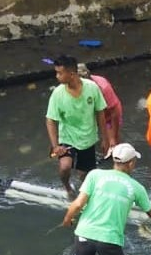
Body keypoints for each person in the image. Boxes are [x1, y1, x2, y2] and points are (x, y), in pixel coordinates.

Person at [61, 143, 151, 255]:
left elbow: (78, 204)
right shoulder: (136, 187)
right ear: (131, 163)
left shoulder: (94, 175)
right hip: (109, 239)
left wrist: (67, 219)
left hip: (84, 234)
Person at [45, 55, 113, 199]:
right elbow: (50, 120)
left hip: (88, 139)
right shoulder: (58, 94)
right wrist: (55, 145)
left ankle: (84, 192)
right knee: (65, 167)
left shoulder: (92, 88)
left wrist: (105, 139)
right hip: (67, 138)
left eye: (60, 73)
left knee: (85, 175)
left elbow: (100, 114)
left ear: (71, 74)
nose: (57, 76)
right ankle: (67, 186)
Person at [77, 63, 124, 148]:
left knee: (112, 143)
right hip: (94, 113)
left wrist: (112, 137)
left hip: (109, 115)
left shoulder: (103, 88)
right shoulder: (72, 87)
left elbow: (114, 114)